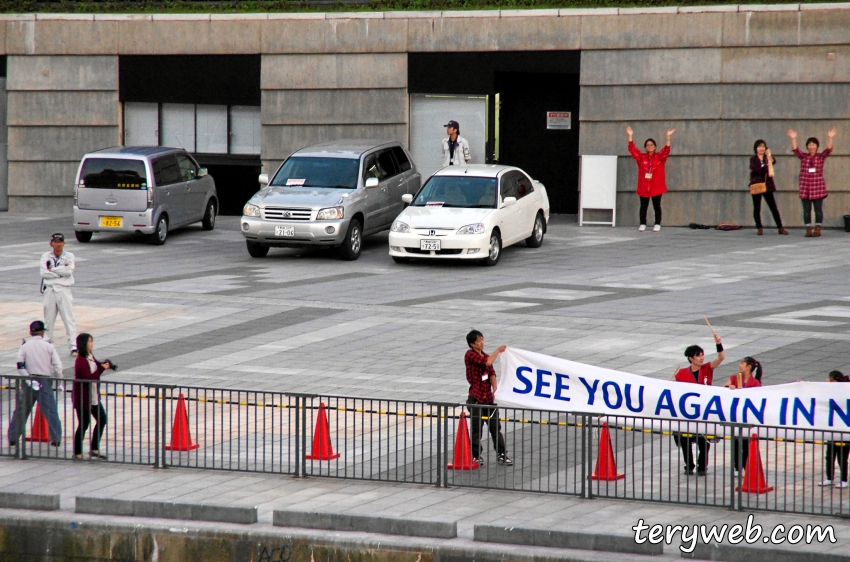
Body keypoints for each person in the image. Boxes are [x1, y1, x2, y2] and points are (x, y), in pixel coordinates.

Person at [674, 333, 725, 475]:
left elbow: (721, 358)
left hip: (704, 411)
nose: (702, 358)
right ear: (691, 358)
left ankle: (702, 466)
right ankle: (688, 465)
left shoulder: (707, 368)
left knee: (704, 441)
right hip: (688, 412)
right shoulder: (681, 374)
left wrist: (718, 344)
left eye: (702, 355)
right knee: (686, 440)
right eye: (698, 355)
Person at [7, 320, 63, 447]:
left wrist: (28, 380)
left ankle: (13, 437)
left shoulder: (25, 346)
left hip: (28, 380)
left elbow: (20, 365)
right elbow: (58, 367)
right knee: (51, 411)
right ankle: (56, 438)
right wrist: (59, 382)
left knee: (21, 410)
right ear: (42, 332)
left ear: (30, 332)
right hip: (44, 380)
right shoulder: (49, 346)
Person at [464, 329, 512, 466]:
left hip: (488, 399)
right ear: (472, 344)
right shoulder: (470, 355)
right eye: (478, 341)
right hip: (476, 398)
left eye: (482, 339)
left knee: (495, 428)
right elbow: (487, 363)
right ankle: (475, 455)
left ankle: (502, 454)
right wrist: (498, 350)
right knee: (476, 429)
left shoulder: (484, 355)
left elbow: (491, 373)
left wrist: (495, 388)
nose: (481, 343)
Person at [787, 128, 837, 238]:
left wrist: (830, 138)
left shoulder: (820, 157)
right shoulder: (803, 156)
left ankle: (818, 229)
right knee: (806, 210)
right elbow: (795, 150)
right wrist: (794, 138)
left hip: (817, 187)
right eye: (809, 145)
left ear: (817, 146)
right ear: (807, 146)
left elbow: (828, 150)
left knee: (818, 210)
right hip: (805, 188)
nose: (811, 146)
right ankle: (808, 229)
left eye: (813, 144)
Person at [72, 333, 115, 460]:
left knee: (102, 419)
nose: (92, 344)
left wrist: (104, 365)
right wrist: (101, 368)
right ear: (84, 344)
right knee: (84, 424)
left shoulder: (90, 356)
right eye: (90, 341)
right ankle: (77, 452)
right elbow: (89, 377)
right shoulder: (80, 360)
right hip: (83, 398)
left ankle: (94, 448)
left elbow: (96, 367)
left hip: (93, 396)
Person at [626, 126, 675, 232]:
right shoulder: (641, 157)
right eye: (647, 145)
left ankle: (657, 223)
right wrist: (630, 136)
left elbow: (666, 150)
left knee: (657, 205)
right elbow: (632, 150)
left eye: (651, 145)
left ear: (655, 146)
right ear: (645, 147)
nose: (650, 146)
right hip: (644, 186)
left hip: (656, 186)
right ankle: (643, 223)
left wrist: (668, 137)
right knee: (643, 206)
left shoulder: (659, 157)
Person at [723, 357, 763, 472]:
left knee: (746, 444)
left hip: (747, 418)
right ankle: (736, 467)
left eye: (742, 363)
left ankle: (746, 467)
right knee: (735, 442)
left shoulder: (755, 383)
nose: (739, 365)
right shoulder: (734, 378)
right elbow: (723, 388)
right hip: (735, 416)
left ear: (749, 367)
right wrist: (729, 388)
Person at [41, 232, 78, 355]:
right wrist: (59, 272)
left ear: (64, 243)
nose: (58, 245)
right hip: (50, 289)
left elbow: (69, 271)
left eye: (60, 242)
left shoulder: (69, 256)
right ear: (51, 243)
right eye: (55, 242)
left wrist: (53, 270)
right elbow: (44, 273)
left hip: (64, 289)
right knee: (49, 319)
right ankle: (47, 343)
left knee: (69, 318)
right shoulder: (45, 256)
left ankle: (73, 346)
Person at [749, 140, 788, 236]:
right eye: (759, 147)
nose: (761, 148)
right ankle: (759, 227)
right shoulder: (753, 159)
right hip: (757, 185)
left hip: (768, 186)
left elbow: (774, 161)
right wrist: (766, 167)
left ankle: (780, 227)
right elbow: (755, 170)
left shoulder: (768, 158)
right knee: (757, 207)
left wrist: (769, 158)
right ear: (756, 149)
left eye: (763, 146)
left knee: (773, 207)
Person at [820, 370, 850, 488]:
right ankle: (829, 478)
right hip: (833, 429)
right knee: (830, 455)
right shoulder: (830, 391)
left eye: (828, 378)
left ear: (833, 380)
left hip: (843, 429)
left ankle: (844, 480)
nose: (826, 380)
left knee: (842, 457)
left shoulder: (844, 391)